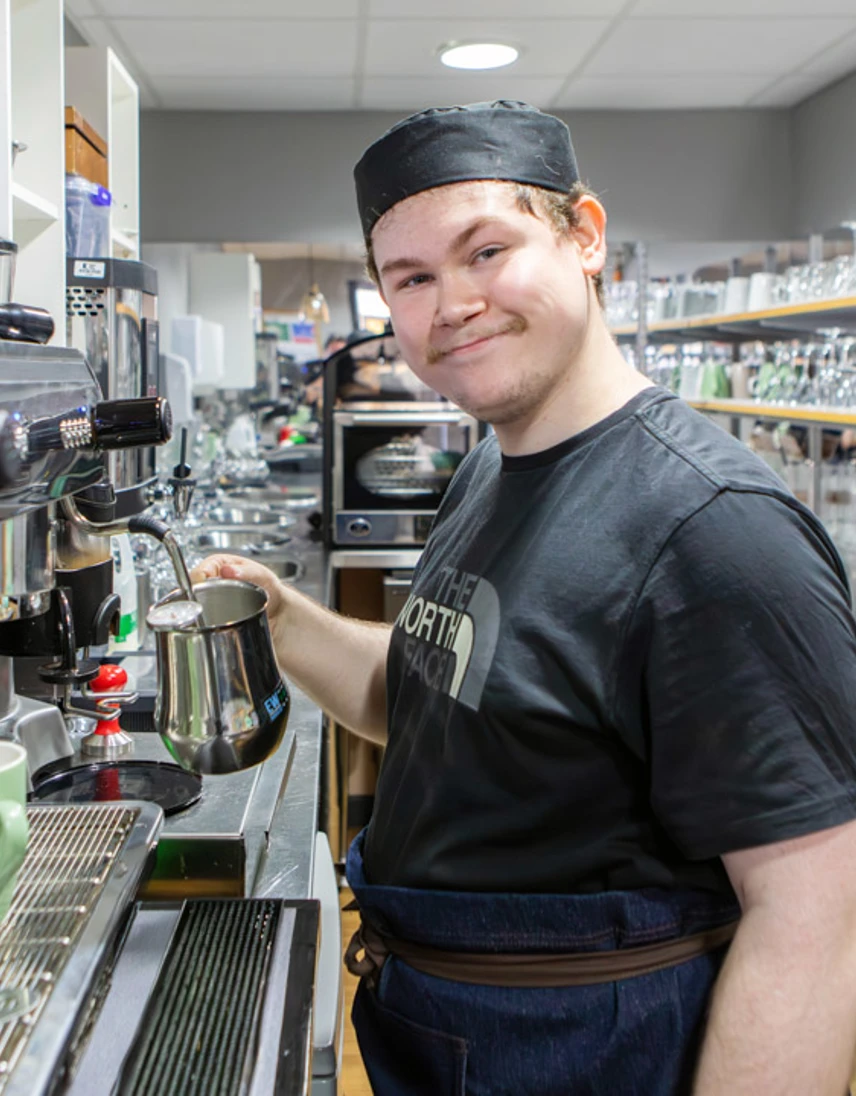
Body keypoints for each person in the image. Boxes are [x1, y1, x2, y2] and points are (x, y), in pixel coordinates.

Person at [193, 102, 856, 1095]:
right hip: (447, 1023)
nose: (449, 302)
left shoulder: (713, 527)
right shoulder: (490, 473)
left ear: (584, 236)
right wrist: (282, 621)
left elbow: (815, 924)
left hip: (587, 1045)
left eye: (486, 250)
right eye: (410, 277)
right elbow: (433, 697)